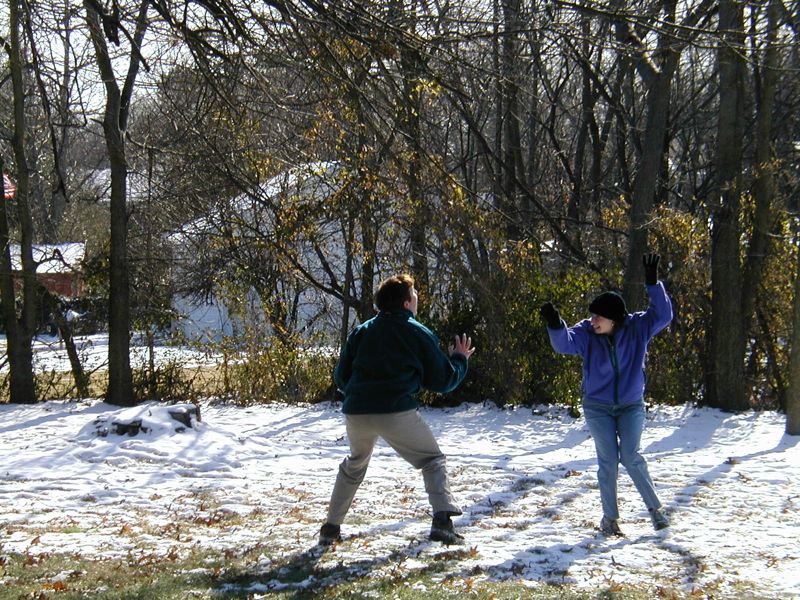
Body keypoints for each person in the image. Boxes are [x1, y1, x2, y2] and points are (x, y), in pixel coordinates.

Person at [319, 274, 476, 546]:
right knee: (432, 460)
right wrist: (460, 359)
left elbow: (341, 376)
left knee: (355, 465)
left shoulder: (363, 330)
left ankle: (330, 529)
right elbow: (443, 381)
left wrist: (362, 394)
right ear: (406, 303)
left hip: (356, 412)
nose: (417, 300)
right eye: (414, 295)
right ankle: (442, 522)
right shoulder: (417, 331)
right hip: (395, 411)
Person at [539, 253, 671, 536]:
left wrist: (652, 283)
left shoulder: (637, 327)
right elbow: (565, 343)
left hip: (631, 405)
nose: (592, 319)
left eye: (599, 316)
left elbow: (663, 315)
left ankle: (656, 511)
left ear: (615, 319)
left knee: (631, 456)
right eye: (592, 315)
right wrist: (554, 323)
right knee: (608, 460)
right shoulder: (586, 333)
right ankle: (610, 519)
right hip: (597, 407)